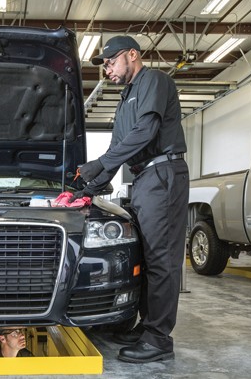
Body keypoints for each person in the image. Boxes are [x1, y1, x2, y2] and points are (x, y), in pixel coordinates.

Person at [69, 35, 189, 363]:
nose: (107, 69)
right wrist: (87, 190)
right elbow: (117, 151)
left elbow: (145, 133)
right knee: (149, 258)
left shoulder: (154, 81)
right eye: (105, 65)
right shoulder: (126, 99)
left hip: (163, 176)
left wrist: (100, 165)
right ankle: (147, 327)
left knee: (162, 261)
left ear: (132, 55)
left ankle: (159, 340)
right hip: (144, 178)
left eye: (110, 62)